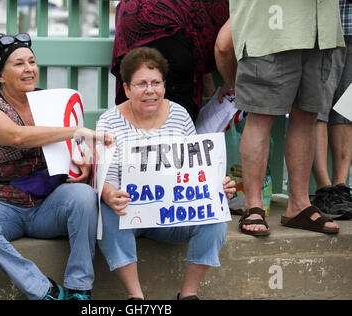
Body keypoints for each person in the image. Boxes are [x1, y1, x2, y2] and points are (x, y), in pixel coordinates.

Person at [0, 33, 113, 300]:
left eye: (32, 62)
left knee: (84, 196)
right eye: (18, 64)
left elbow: (70, 150)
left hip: (45, 204)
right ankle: (44, 290)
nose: (29, 69)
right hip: (0, 202)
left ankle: (79, 287)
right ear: (1, 76)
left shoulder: (50, 102)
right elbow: (18, 136)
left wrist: (82, 164)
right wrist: (75, 131)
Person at [96, 47, 236, 300]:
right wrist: (109, 193)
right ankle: (135, 296)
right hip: (127, 212)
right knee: (104, 212)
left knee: (216, 216)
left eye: (156, 83)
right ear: (127, 89)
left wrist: (216, 186)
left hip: (172, 215)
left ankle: (189, 294)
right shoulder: (109, 121)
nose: (150, 90)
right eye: (141, 84)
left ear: (163, 85)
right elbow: (105, 176)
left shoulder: (180, 115)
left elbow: (196, 169)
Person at [230, 0, 343, 236]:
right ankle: (254, 205)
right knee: (261, 115)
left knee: (308, 115)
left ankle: (299, 206)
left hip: (320, 26)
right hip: (271, 22)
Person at [111, 0, 231, 123]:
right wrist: (231, 82)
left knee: (140, 110)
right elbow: (223, 48)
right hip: (167, 23)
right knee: (177, 120)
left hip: (130, 16)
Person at [311, 0, 352, 221]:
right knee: (318, 109)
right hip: (326, 25)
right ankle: (324, 188)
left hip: (349, 22)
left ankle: (340, 187)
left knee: (347, 111)